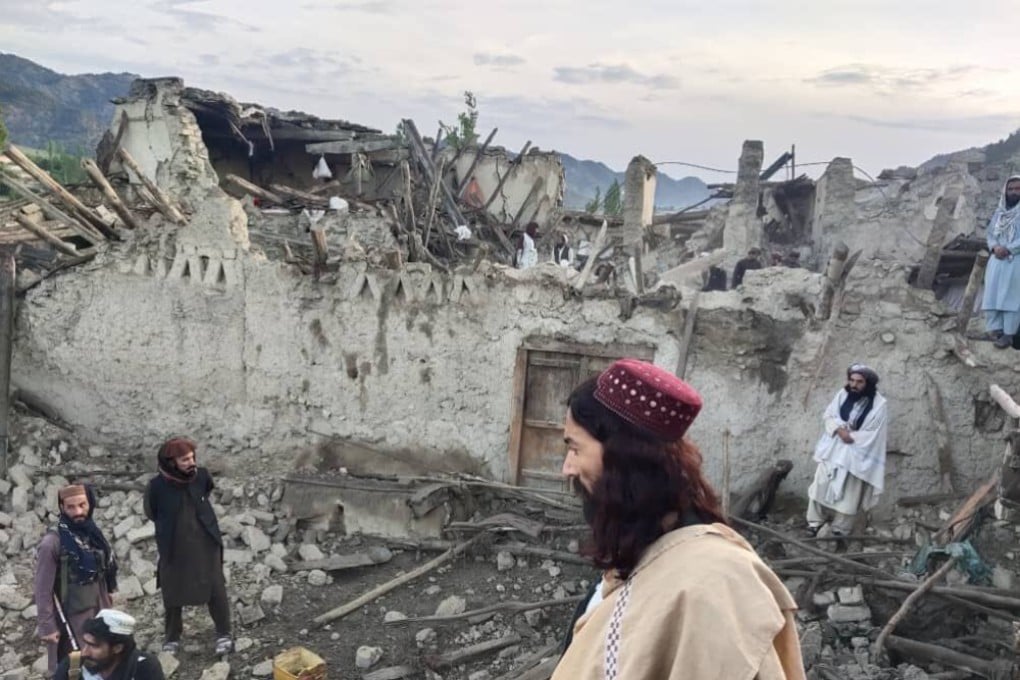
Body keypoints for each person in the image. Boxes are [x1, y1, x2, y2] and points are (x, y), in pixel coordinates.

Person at [554, 358, 805, 679]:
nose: (567, 468)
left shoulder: (711, 587)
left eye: (575, 449)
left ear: (624, 460)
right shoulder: (647, 547)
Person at [144, 438, 232, 655]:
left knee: (215, 587)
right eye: (185, 459)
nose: (191, 462)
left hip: (205, 543)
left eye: (192, 457)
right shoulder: (156, 487)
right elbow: (151, 511)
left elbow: (206, 491)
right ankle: (172, 637)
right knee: (172, 591)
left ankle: (224, 633)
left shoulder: (201, 476)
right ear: (171, 462)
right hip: (174, 547)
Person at [35, 484, 118, 677]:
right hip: (71, 616)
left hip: (99, 608)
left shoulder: (93, 534)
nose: (78, 512)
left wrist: (110, 596)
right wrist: (47, 626)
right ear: (62, 508)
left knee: (102, 661)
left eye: (82, 505)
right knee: (73, 666)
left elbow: (105, 569)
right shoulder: (52, 543)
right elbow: (42, 589)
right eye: (71, 507)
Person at [806, 364, 888, 538]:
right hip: (834, 450)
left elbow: (874, 433)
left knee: (850, 494)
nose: (854, 385)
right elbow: (829, 415)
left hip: (857, 456)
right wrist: (839, 429)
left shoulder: (879, 405)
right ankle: (814, 522)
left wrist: (852, 437)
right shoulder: (842, 394)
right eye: (851, 380)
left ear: (869, 384)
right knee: (819, 485)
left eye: (859, 382)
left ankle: (840, 530)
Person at [53, 609, 166, 680]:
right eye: (85, 643)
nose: (84, 652)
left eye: (94, 646)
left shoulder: (144, 667)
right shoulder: (72, 665)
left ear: (117, 648)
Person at [982, 175, 1020, 349]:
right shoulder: (999, 213)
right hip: (996, 260)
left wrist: (1009, 249)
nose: (1014, 192)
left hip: (1015, 260)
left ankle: (1008, 334)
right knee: (992, 294)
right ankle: (995, 331)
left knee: (1011, 298)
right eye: (1011, 189)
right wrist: (995, 247)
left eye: (1018, 189)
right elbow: (991, 235)